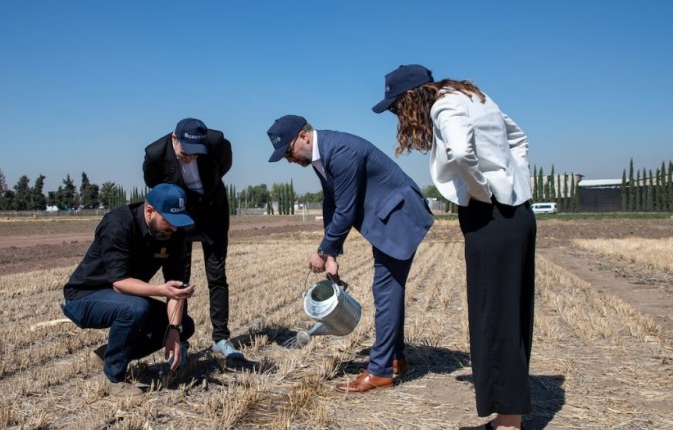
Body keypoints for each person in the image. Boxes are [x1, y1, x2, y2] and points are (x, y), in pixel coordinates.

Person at [373, 64, 535, 430]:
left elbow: (461, 153)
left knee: (493, 317)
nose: (398, 116)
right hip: (516, 212)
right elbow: (519, 138)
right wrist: (515, 181)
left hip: (491, 215)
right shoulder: (475, 96)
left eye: (396, 107)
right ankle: (508, 420)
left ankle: (507, 426)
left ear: (410, 96)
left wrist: (481, 191)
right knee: (510, 316)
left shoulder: (444, 105)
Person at [266, 114, 434, 393]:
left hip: (399, 219)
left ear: (303, 136)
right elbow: (331, 204)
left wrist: (322, 252)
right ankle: (395, 357)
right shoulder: (322, 156)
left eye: (288, 151)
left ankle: (379, 372)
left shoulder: (340, 152)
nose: (288, 159)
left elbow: (346, 210)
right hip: (389, 219)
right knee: (389, 291)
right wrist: (332, 257)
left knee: (385, 291)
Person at [61, 183, 197, 397]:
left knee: (184, 326)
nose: (174, 228)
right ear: (150, 211)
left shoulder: (174, 234)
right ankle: (113, 378)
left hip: (125, 297)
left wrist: (173, 330)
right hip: (85, 297)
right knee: (136, 308)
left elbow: (175, 287)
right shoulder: (119, 224)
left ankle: (108, 354)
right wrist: (161, 290)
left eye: (178, 222)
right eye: (169, 221)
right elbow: (119, 282)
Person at [143, 118, 243, 360]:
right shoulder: (155, 154)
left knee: (217, 275)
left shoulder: (217, 142)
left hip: (213, 210)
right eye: (185, 153)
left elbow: (224, 165)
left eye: (195, 154)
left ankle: (221, 338)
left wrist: (204, 192)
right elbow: (154, 184)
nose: (189, 158)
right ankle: (180, 339)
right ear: (174, 139)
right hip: (180, 213)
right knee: (179, 278)